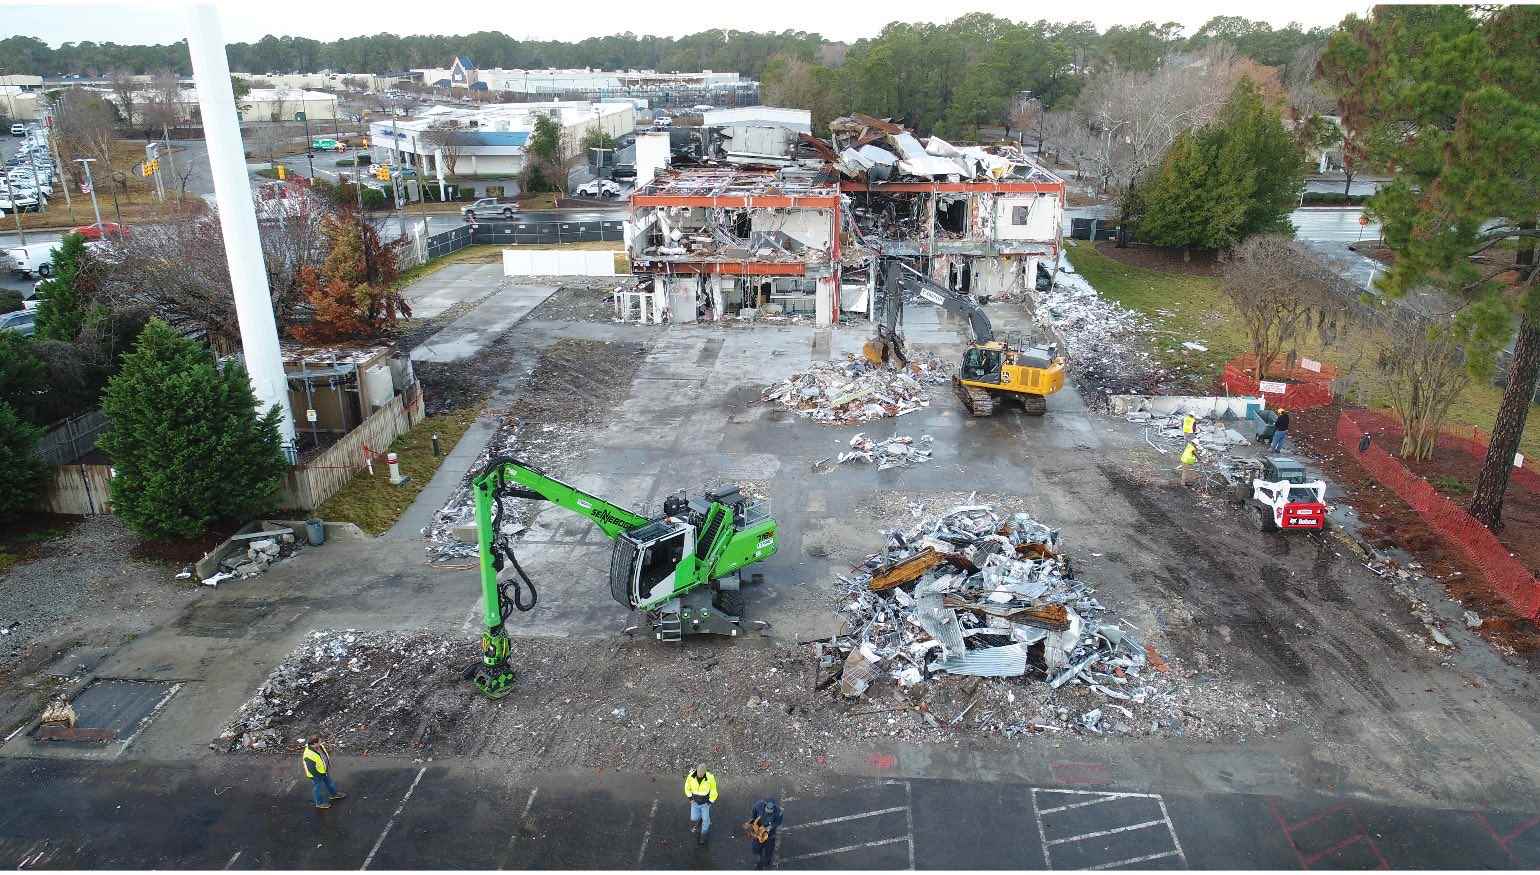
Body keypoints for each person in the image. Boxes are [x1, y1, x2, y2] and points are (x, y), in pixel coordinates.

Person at [302, 735, 346, 810]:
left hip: (324, 771)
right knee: (318, 788)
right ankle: (319, 803)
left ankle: (334, 794)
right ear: (314, 743)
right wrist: (319, 775)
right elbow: (311, 769)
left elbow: (323, 756)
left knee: (329, 783)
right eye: (319, 741)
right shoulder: (308, 755)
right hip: (316, 775)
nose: (321, 742)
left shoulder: (319, 746)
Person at [745, 798, 784, 869]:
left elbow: (778, 822)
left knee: (769, 850)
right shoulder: (758, 805)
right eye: (767, 811)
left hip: (770, 833)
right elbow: (754, 814)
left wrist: (770, 827)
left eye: (770, 812)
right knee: (756, 848)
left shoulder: (779, 812)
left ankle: (767, 862)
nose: (769, 813)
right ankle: (758, 858)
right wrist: (753, 823)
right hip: (759, 829)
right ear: (764, 805)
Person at [685, 763, 719, 846]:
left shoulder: (710, 778)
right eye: (698, 773)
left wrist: (710, 802)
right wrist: (690, 798)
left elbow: (714, 791)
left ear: (704, 773)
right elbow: (687, 787)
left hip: (705, 804)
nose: (699, 775)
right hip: (695, 802)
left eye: (701, 774)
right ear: (696, 770)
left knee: (706, 820)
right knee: (694, 818)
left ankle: (703, 835)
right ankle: (701, 819)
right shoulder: (691, 776)